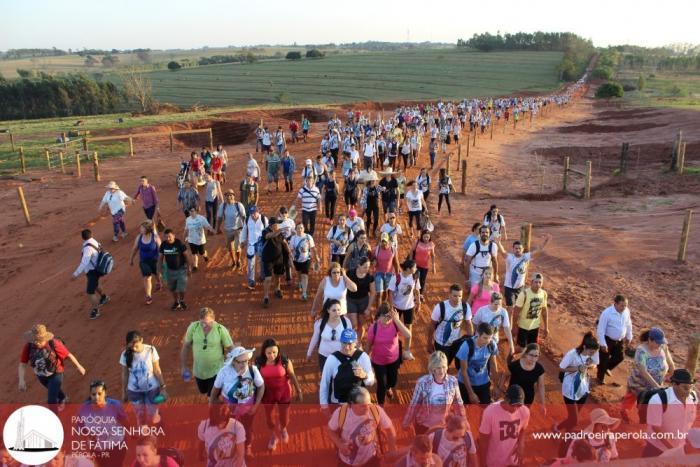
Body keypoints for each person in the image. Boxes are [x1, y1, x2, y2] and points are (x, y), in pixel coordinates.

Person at [210, 347, 265, 458]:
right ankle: (230, 446)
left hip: (248, 409)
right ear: (233, 361)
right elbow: (215, 389)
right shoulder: (224, 372)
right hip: (228, 410)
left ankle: (247, 447)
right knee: (227, 429)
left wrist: (256, 406)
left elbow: (261, 386)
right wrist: (211, 406)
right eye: (240, 362)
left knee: (247, 428)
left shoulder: (252, 370)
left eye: (246, 361)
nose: (243, 364)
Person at [18, 324, 86, 408]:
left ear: (44, 338)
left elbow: (68, 355)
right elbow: (22, 364)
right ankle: (63, 398)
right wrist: (21, 380)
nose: (36, 342)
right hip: (41, 376)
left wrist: (78, 366)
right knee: (53, 390)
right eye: (34, 340)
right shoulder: (29, 346)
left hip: (56, 373)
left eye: (39, 340)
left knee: (51, 401)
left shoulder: (54, 344)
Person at [326, 386, 397, 467]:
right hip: (347, 462)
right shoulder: (341, 413)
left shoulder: (376, 410)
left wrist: (392, 451)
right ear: (351, 404)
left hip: (371, 459)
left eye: (368, 404)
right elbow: (330, 430)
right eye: (362, 406)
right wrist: (340, 444)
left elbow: (390, 429)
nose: (367, 408)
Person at [255, 338, 303, 450]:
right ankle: (273, 436)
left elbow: (291, 374)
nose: (272, 355)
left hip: (284, 393)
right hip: (267, 394)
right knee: (269, 419)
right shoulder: (259, 362)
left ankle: (283, 429)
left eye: (274, 352)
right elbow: (256, 379)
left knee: (284, 418)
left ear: (278, 351)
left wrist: (299, 390)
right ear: (264, 352)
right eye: (269, 353)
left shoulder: (285, 360)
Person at [403, 351, 464, 434]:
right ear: (432, 368)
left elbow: (458, 403)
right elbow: (414, 405)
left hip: (443, 425)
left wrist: (463, 421)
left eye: (444, 367)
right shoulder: (422, 383)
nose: (441, 371)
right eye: (438, 367)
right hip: (423, 425)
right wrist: (407, 422)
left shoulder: (453, 381)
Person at [643, 368, 698, 457]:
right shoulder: (658, 400)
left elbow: (688, 423)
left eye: (690, 388)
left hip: (680, 448)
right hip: (657, 448)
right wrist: (673, 450)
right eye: (685, 388)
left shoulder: (693, 397)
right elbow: (656, 428)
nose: (688, 392)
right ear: (674, 385)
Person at [622, 327, 675, 420]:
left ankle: (645, 416)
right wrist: (656, 387)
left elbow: (670, 363)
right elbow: (643, 371)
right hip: (639, 383)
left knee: (648, 402)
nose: (660, 344)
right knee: (631, 397)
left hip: (657, 382)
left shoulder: (663, 346)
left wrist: (672, 375)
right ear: (650, 340)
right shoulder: (641, 351)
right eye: (657, 342)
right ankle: (625, 411)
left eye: (661, 342)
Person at [181, 307, 234, 397]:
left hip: (216, 371)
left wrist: (234, 365)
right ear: (199, 320)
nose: (204, 326)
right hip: (199, 371)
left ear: (213, 320)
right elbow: (186, 346)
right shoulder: (193, 327)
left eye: (208, 323)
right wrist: (184, 366)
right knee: (203, 391)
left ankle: (214, 405)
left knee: (212, 397)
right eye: (202, 323)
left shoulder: (220, 329)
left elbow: (231, 348)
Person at [553, 331, 600, 433]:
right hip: (570, 390)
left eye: (594, 352)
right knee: (574, 420)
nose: (593, 354)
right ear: (584, 347)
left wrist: (590, 365)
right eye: (591, 352)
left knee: (573, 417)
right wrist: (577, 368)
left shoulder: (594, 352)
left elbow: (595, 364)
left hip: (583, 389)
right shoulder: (572, 354)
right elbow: (561, 368)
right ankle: (561, 432)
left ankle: (562, 431)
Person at [119, 330, 167, 427]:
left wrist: (163, 387)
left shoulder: (151, 350)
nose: (134, 349)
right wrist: (124, 392)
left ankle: (158, 421)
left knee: (153, 414)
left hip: (152, 389)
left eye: (136, 346)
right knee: (140, 416)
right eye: (131, 346)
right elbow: (125, 374)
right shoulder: (125, 354)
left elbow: (157, 370)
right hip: (134, 391)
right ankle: (144, 437)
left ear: (141, 340)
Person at [366, 303, 411, 404]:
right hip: (378, 361)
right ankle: (380, 405)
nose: (387, 319)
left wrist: (397, 320)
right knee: (381, 384)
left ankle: (388, 387)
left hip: (393, 360)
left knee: (393, 381)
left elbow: (408, 335)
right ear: (379, 316)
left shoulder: (395, 324)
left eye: (389, 316)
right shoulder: (373, 328)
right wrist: (365, 358)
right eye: (384, 316)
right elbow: (369, 345)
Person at [77, 380, 128, 467]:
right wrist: (89, 434)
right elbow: (80, 427)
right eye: (93, 394)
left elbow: (125, 422)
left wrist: (133, 433)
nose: (96, 397)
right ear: (90, 395)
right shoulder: (84, 409)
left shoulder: (115, 405)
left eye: (99, 393)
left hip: (116, 445)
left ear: (105, 393)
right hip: (97, 449)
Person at [320, 329, 375, 406]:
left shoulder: (363, 357)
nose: (346, 347)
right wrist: (324, 406)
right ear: (340, 341)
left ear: (355, 342)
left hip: (358, 404)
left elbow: (370, 382)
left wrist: (364, 375)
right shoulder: (332, 359)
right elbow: (324, 383)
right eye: (344, 343)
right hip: (338, 403)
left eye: (350, 344)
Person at [478, 385, 530, 467]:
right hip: (494, 462)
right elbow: (483, 441)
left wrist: (521, 443)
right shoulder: (490, 412)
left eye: (519, 405)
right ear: (506, 400)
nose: (515, 409)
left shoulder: (525, 411)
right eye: (513, 405)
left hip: (512, 462)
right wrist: (483, 463)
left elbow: (523, 429)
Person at [501, 236, 550, 322]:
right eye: (516, 248)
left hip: (520, 288)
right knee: (511, 309)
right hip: (509, 288)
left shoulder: (526, 257)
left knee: (519, 308)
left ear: (523, 249)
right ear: (513, 249)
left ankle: (517, 324)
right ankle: (509, 327)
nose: (517, 250)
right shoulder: (509, 257)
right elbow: (502, 251)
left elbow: (538, 250)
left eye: (519, 248)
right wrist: (498, 243)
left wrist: (545, 242)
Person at [431, 284, 473, 367]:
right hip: (441, 343)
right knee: (443, 365)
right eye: (455, 296)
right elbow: (432, 325)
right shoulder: (440, 307)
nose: (457, 298)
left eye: (460, 296)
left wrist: (471, 341)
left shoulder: (465, 306)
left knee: (456, 364)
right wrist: (429, 343)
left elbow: (469, 323)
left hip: (456, 342)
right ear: (449, 295)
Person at [387, 259, 421, 361]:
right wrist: (392, 306)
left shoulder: (415, 277)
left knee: (408, 328)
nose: (416, 269)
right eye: (414, 267)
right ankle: (392, 348)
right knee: (393, 328)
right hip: (397, 306)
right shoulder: (396, 278)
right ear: (408, 269)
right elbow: (391, 293)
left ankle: (406, 351)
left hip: (409, 307)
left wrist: (418, 302)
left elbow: (417, 290)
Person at [72, 229, 111, 319]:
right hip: (97, 269)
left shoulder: (87, 248)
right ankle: (104, 297)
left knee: (90, 292)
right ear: (91, 234)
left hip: (92, 271)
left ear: (82, 238)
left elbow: (84, 262)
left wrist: (76, 274)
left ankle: (96, 310)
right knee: (96, 285)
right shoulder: (95, 241)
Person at [456, 323, 498, 404]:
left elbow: (493, 365)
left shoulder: (492, 345)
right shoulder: (466, 346)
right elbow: (463, 371)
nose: (487, 341)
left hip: (483, 382)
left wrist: (496, 386)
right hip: (466, 384)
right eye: (485, 338)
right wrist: (471, 393)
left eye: (490, 338)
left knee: (485, 408)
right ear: (477, 334)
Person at [596, 294, 633, 385]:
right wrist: (603, 344)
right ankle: (600, 377)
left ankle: (604, 368)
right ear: (615, 304)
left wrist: (629, 336)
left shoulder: (626, 311)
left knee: (620, 357)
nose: (624, 307)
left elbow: (629, 324)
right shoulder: (607, 313)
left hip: (619, 340)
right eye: (622, 305)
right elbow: (600, 329)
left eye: (625, 305)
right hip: (607, 339)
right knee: (604, 358)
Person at [307, 299, 353, 371]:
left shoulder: (346, 322)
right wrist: (309, 353)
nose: (337, 313)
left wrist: (352, 353)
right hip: (324, 356)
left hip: (341, 355)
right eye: (334, 310)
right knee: (326, 378)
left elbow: (351, 339)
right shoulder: (320, 323)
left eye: (338, 310)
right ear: (328, 310)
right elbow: (315, 338)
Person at [505, 343, 546, 414]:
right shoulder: (515, 365)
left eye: (536, 356)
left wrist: (542, 404)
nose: (533, 358)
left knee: (522, 417)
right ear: (526, 354)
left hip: (528, 398)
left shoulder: (539, 369)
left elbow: (541, 386)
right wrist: (499, 389)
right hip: (513, 396)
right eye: (531, 355)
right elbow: (505, 375)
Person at [513, 273, 548, 352]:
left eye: (540, 282)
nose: (538, 284)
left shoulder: (543, 294)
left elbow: (544, 311)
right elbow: (516, 312)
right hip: (523, 327)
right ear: (531, 282)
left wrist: (546, 327)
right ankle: (511, 359)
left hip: (535, 327)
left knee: (531, 349)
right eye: (536, 282)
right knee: (520, 349)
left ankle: (525, 363)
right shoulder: (524, 294)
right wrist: (514, 327)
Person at [129, 220, 162, 306]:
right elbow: (135, 249)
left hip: (155, 260)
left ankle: (158, 282)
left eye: (142, 228)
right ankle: (148, 295)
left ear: (147, 229)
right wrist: (131, 259)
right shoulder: (139, 237)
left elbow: (161, 249)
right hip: (144, 261)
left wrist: (161, 260)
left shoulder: (155, 237)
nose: (140, 229)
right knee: (147, 277)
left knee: (157, 274)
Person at [159, 228, 192, 311]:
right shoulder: (163, 245)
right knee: (172, 288)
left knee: (181, 287)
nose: (168, 239)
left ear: (174, 235)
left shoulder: (179, 244)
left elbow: (186, 256)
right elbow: (160, 257)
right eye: (166, 237)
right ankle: (176, 302)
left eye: (169, 236)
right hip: (170, 270)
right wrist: (160, 268)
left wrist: (189, 268)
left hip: (181, 269)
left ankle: (182, 300)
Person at [261, 218, 290, 308]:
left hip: (278, 258)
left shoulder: (279, 233)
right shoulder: (265, 231)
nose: (278, 225)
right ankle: (266, 296)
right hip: (268, 259)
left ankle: (277, 290)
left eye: (278, 224)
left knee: (277, 276)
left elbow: (284, 243)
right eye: (277, 224)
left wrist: (290, 252)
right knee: (268, 278)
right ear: (271, 225)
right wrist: (280, 230)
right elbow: (269, 236)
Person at [345, 256, 376, 344]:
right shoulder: (350, 273)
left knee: (361, 325)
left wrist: (368, 308)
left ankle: (358, 342)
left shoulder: (370, 277)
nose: (367, 269)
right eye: (365, 267)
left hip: (363, 302)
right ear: (359, 265)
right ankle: (353, 342)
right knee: (354, 324)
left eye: (368, 266)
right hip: (351, 301)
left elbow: (373, 293)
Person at [217, 189, 247, 271]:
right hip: (228, 230)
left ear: (234, 196)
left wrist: (245, 229)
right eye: (227, 195)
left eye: (231, 195)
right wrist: (218, 228)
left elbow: (244, 217)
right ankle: (233, 261)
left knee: (237, 248)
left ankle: (238, 260)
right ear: (225, 197)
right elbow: (219, 218)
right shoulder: (222, 206)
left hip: (238, 229)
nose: (229, 197)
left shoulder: (239, 205)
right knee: (230, 248)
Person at [240, 205, 269, 289]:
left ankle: (263, 276)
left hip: (261, 243)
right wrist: (242, 241)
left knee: (262, 261)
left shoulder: (264, 219)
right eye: (251, 213)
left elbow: (268, 230)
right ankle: (251, 281)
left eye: (254, 213)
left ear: (258, 212)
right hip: (251, 244)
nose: (253, 215)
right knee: (250, 263)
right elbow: (244, 231)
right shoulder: (247, 220)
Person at [289, 223, 318, 301]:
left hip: (306, 259)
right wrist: (291, 260)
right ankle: (300, 283)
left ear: (304, 229)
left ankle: (304, 293)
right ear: (296, 229)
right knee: (299, 274)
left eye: (301, 228)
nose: (300, 229)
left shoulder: (308, 237)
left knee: (304, 275)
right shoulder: (293, 238)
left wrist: (316, 258)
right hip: (296, 260)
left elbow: (312, 248)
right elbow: (290, 250)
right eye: (298, 228)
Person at [185, 206, 215, 272]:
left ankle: (205, 255)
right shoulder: (188, 219)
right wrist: (185, 236)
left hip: (200, 240)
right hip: (191, 240)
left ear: (196, 211)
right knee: (194, 253)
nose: (191, 212)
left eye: (193, 211)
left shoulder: (201, 218)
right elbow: (186, 229)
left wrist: (213, 230)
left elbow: (207, 226)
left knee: (201, 252)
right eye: (190, 211)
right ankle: (195, 266)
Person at [360, 172, 381, 238]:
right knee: (368, 219)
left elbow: (383, 189)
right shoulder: (366, 188)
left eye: (374, 180)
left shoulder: (377, 187)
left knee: (376, 219)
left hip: (375, 206)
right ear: (370, 180)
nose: (373, 181)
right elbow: (363, 197)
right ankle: (367, 231)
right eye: (372, 180)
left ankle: (374, 231)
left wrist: (384, 188)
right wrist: (363, 206)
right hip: (368, 206)